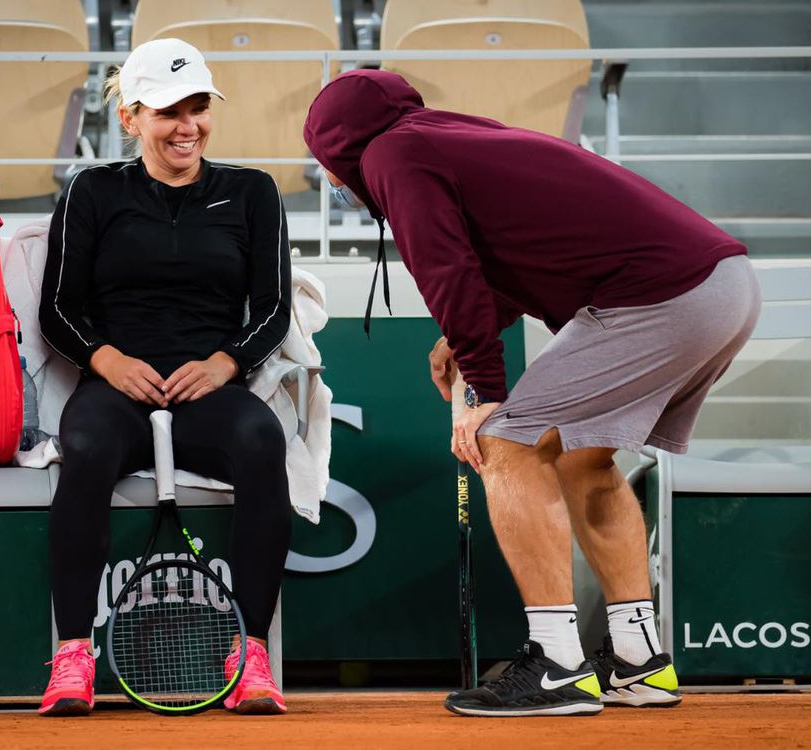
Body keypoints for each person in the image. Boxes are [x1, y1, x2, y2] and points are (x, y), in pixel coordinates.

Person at [304, 70, 761, 717]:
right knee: (582, 460)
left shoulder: (390, 155)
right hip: (723, 284)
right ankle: (639, 661)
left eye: (325, 168)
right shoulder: (444, 136)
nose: (331, 184)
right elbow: (527, 250)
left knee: (506, 442)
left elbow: (447, 268)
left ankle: (557, 665)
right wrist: (471, 337)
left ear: (337, 151)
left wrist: (485, 389)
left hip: (659, 296)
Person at [37, 38, 291, 717]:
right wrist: (107, 360)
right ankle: (71, 656)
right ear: (130, 118)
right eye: (168, 111)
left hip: (210, 392)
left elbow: (272, 310)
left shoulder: (253, 192)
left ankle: (252, 653)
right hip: (115, 391)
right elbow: (56, 309)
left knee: (264, 444)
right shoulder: (92, 191)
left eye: (199, 108)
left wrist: (225, 363)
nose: (188, 126)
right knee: (84, 450)